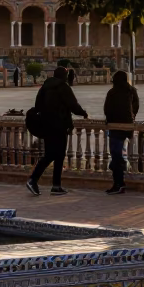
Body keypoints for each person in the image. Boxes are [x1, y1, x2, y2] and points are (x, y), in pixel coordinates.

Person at [26, 66, 87, 196]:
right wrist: (83, 113)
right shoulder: (63, 87)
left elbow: (38, 105)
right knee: (55, 155)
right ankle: (36, 180)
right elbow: (73, 105)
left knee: (54, 154)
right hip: (59, 125)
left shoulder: (44, 87)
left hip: (46, 125)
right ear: (64, 76)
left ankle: (55, 185)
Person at [103, 69, 139, 195]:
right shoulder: (131, 90)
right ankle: (120, 180)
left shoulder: (112, 92)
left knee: (116, 154)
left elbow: (107, 109)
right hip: (127, 125)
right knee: (121, 154)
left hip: (115, 126)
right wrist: (131, 118)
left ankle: (118, 183)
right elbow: (136, 106)